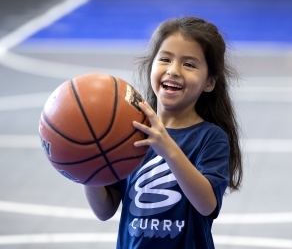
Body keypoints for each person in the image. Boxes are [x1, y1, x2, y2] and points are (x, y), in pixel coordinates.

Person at [83, 16, 243, 249]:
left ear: (209, 82)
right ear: (152, 66)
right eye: (165, 59)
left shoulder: (211, 137)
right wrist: (87, 167)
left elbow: (207, 205)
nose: (174, 70)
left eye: (189, 64)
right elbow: (104, 210)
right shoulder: (129, 130)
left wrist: (168, 149)